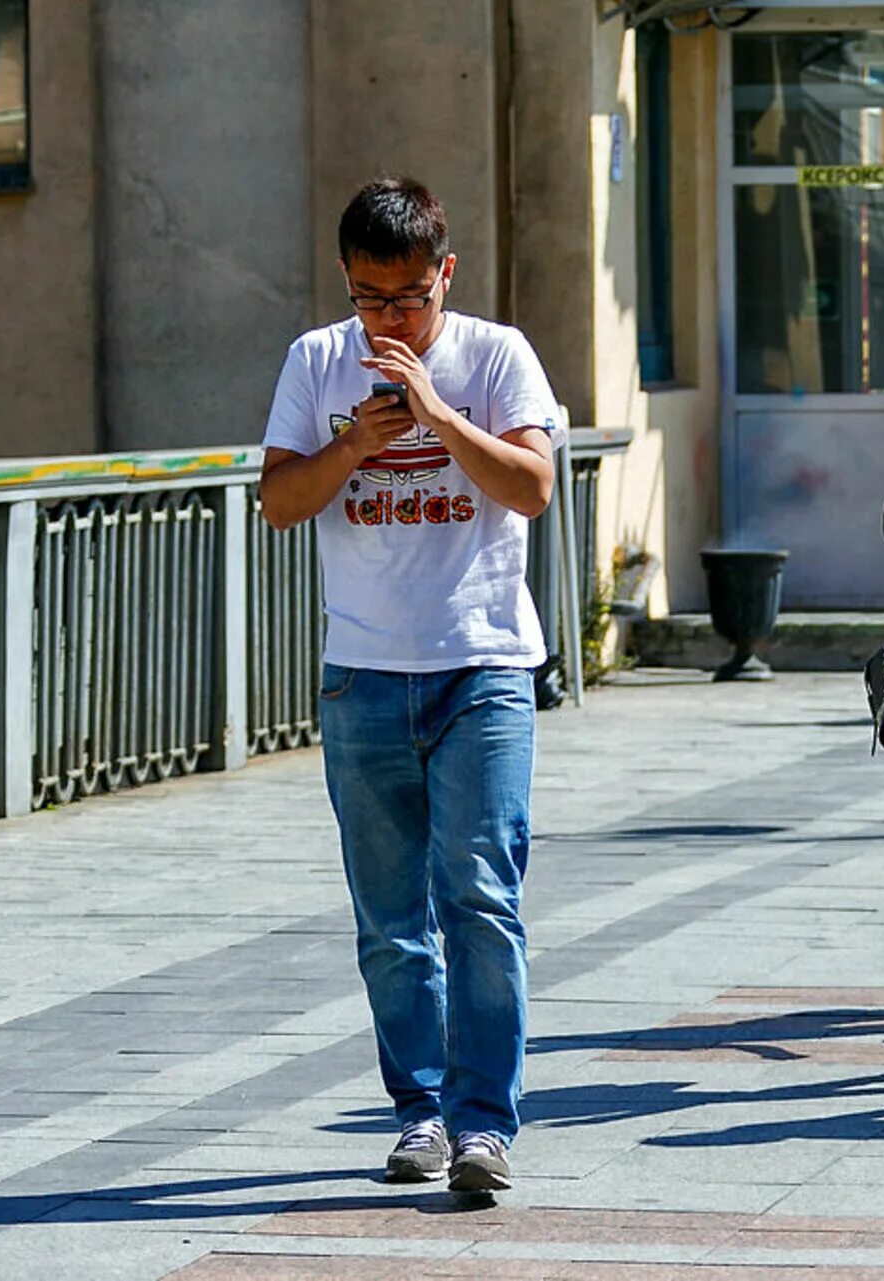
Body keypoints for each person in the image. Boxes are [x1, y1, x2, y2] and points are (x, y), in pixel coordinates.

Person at [259, 177, 562, 1193]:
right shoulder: (314, 360)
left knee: (480, 898)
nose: (388, 320)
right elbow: (280, 504)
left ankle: (486, 1125)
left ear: (447, 273)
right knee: (391, 920)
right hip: (364, 677)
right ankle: (420, 1113)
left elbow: (531, 488)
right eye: (367, 298)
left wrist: (435, 409)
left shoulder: (496, 355)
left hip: (482, 667)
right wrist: (353, 442)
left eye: (408, 298)